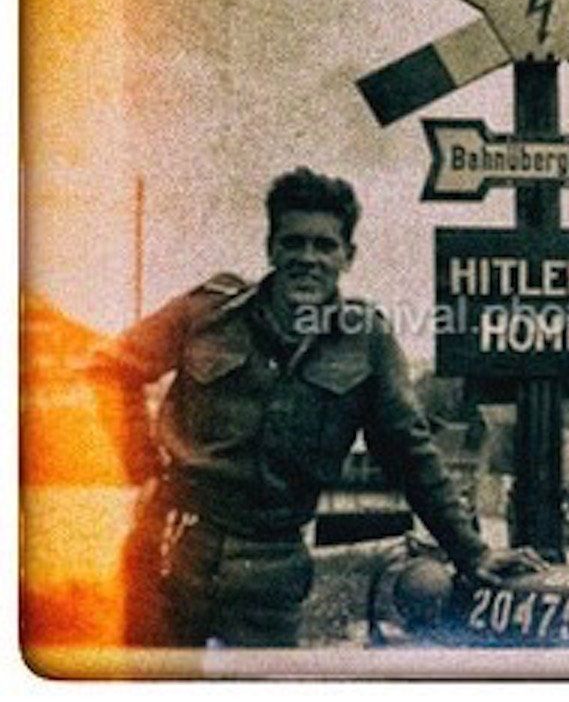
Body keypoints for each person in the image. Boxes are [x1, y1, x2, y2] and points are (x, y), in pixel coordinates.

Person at [92, 167, 544, 647]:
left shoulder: (365, 340)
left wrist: (472, 553)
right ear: (271, 248)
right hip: (170, 547)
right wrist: (141, 465)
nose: (307, 258)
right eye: (293, 243)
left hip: (270, 567)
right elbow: (110, 368)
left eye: (324, 246)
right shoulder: (206, 313)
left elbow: (409, 453)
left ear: (348, 256)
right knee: (150, 680)